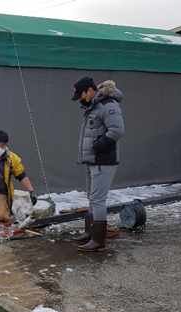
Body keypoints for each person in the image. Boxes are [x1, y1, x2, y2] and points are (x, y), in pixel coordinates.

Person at [71, 76, 124, 252]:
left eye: (81, 95)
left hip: (103, 161)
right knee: (92, 198)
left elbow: (117, 130)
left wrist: (96, 147)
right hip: (93, 160)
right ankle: (90, 232)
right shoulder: (93, 106)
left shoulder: (108, 106)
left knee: (98, 200)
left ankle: (98, 241)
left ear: (90, 91)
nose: (80, 99)